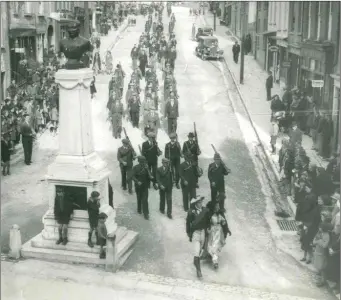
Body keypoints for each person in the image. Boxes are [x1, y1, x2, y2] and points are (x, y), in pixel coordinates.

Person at [186, 196, 210, 278]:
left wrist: (208, 230)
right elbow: (188, 223)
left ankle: (196, 262)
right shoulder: (191, 212)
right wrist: (189, 233)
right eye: (199, 202)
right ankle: (199, 271)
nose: (201, 204)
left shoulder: (205, 211)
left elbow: (207, 221)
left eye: (201, 202)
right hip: (196, 233)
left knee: (199, 252)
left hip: (203, 232)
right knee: (196, 252)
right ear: (196, 203)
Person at [206, 202, 231, 269]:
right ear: (214, 207)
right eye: (217, 206)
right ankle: (214, 260)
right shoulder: (209, 214)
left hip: (219, 232)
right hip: (212, 232)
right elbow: (206, 222)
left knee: (216, 245)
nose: (218, 207)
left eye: (218, 206)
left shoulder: (220, 213)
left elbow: (224, 222)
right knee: (213, 245)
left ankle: (214, 259)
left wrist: (227, 229)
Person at [132, 156, 153, 220]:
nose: (143, 163)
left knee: (145, 200)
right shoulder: (135, 168)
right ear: (139, 161)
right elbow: (132, 176)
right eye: (142, 162)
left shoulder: (146, 167)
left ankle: (146, 213)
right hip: (138, 186)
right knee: (139, 198)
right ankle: (139, 209)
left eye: (144, 162)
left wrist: (148, 170)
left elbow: (150, 176)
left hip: (145, 186)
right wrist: (137, 181)